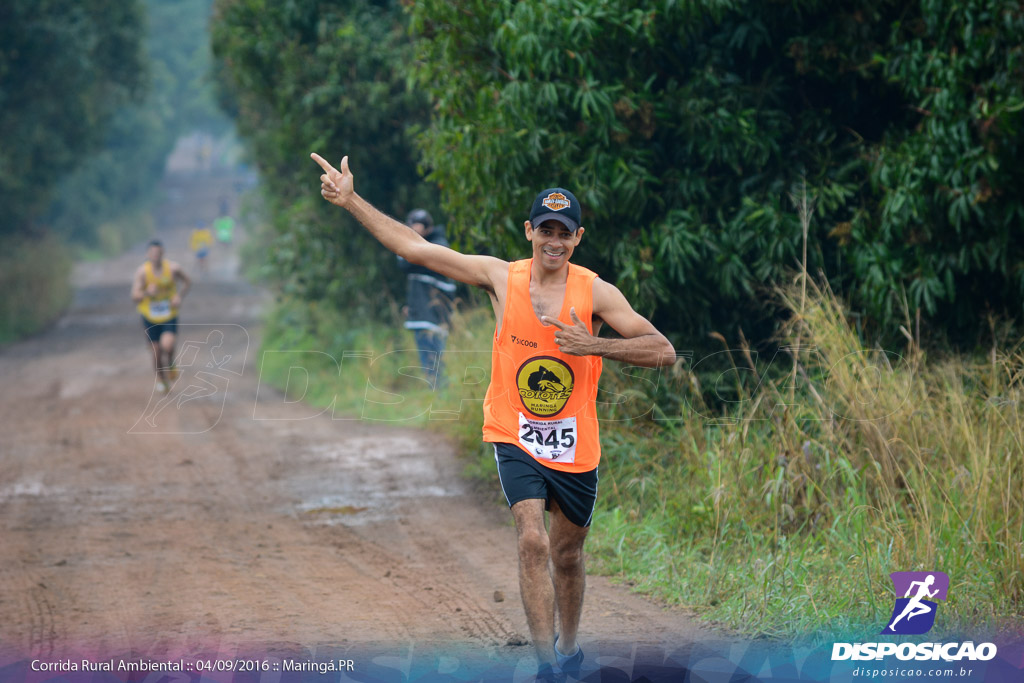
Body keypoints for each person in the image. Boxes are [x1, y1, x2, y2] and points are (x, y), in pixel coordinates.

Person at [312, 153, 675, 681]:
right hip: (515, 433)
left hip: (576, 445)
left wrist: (592, 345)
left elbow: (662, 350)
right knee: (532, 539)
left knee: (567, 555)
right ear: (530, 231)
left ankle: (569, 649)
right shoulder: (501, 278)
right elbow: (415, 248)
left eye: (564, 233)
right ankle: (547, 666)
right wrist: (350, 201)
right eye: (545, 229)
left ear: (577, 240)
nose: (554, 240)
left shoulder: (595, 292)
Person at [397, 209, 455, 389]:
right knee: (430, 363)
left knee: (433, 363)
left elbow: (405, 262)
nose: (412, 228)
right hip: (423, 316)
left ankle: (440, 400)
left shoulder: (436, 247)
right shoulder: (424, 246)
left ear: (427, 226)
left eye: (416, 224)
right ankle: (438, 398)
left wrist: (404, 244)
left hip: (433, 318)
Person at [131, 239, 191, 393]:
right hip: (149, 316)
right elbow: (135, 296)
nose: (155, 256)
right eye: (152, 253)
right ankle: (162, 380)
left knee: (168, 344)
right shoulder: (143, 272)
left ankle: (171, 362)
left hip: (169, 314)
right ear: (148, 254)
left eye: (158, 253)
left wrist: (179, 296)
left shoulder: (173, 268)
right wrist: (146, 293)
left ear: (163, 253)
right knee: (156, 350)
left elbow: (187, 282)